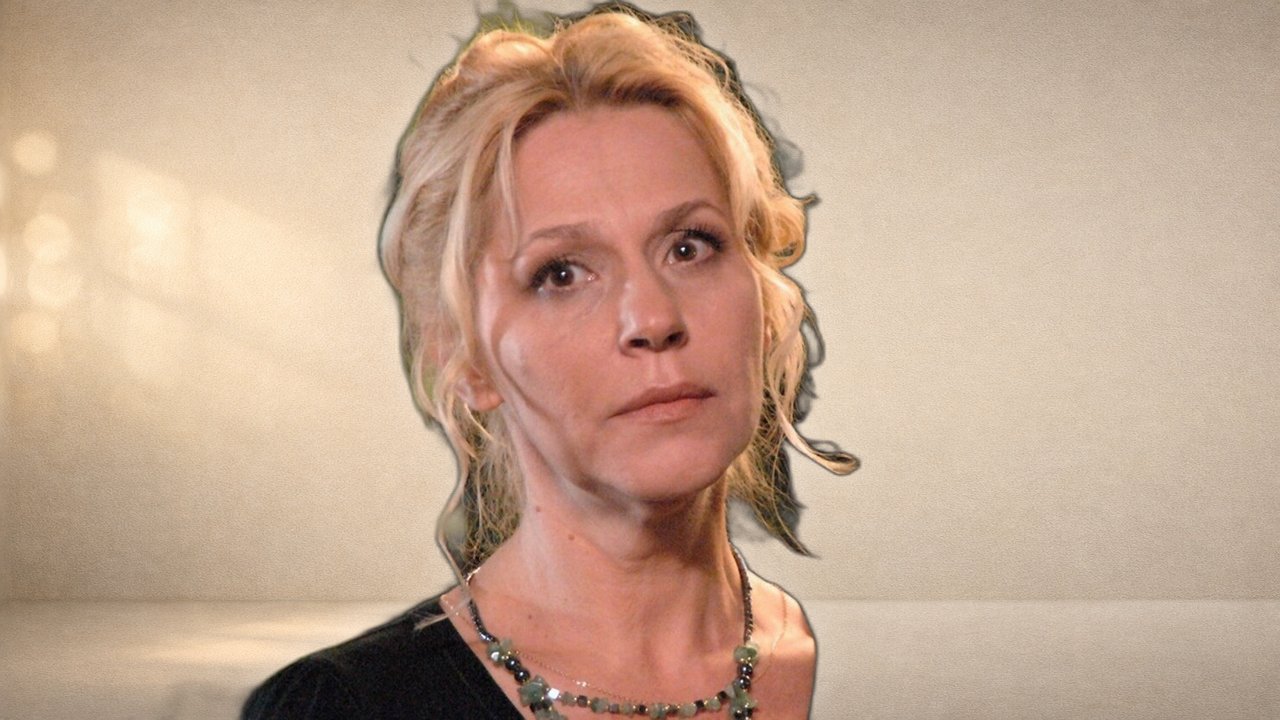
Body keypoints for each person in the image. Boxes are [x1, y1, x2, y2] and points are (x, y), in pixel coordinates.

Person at [243, 3, 855, 719]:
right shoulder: (347, 706)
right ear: (464, 358)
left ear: (764, 296)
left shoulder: (873, 661)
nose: (653, 319)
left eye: (689, 247)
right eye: (561, 274)